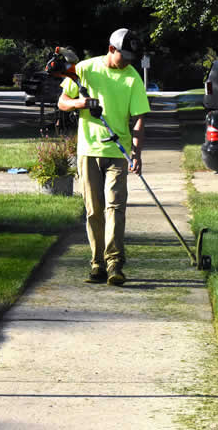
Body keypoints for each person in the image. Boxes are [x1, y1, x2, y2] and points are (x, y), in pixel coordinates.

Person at [58, 28, 150, 286]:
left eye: (132, 57)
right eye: (125, 55)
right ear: (111, 49)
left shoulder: (132, 77)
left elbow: (139, 118)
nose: (128, 61)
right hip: (88, 150)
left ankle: (115, 264)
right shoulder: (85, 69)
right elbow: (63, 101)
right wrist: (82, 104)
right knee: (94, 210)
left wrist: (136, 152)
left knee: (115, 208)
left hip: (117, 153)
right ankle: (97, 263)